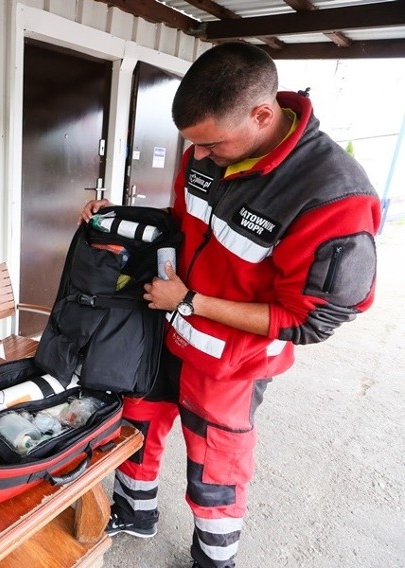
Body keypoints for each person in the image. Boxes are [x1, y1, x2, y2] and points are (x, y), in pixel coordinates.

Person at [80, 42, 380, 568]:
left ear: (262, 115)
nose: (199, 157)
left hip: (231, 362)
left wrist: (191, 301)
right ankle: (136, 511)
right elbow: (182, 226)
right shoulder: (210, 148)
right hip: (167, 326)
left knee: (215, 461)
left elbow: (309, 320)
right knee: (140, 422)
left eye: (211, 145)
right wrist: (118, 220)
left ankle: (214, 557)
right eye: (191, 145)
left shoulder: (333, 196)